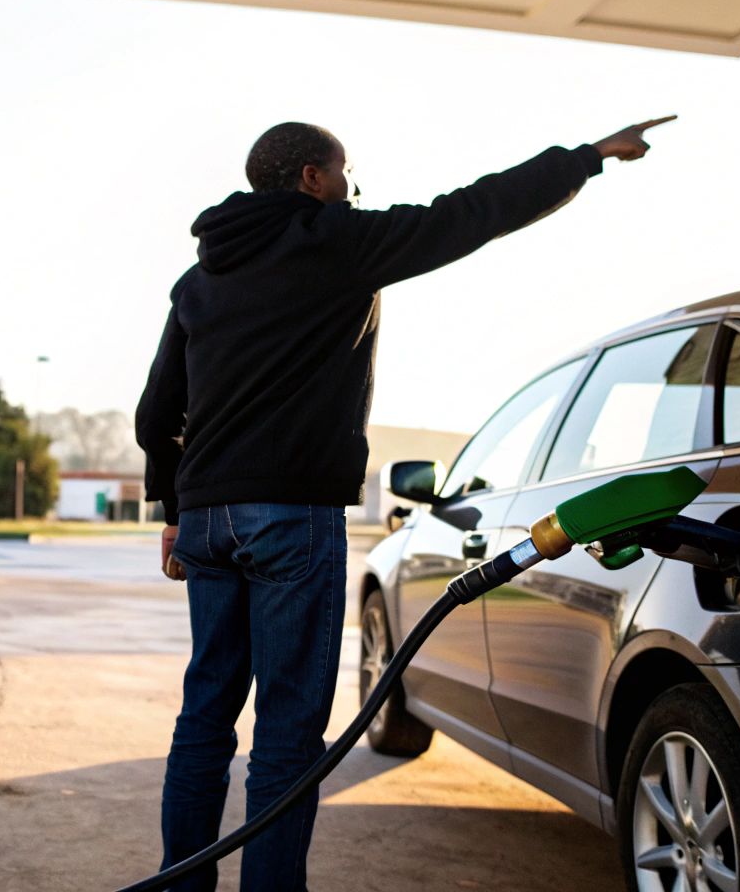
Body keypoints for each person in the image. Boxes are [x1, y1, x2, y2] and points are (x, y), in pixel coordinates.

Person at [133, 116, 675, 891]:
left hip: (210, 519)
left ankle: (177, 882)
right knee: (287, 734)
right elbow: (468, 214)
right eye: (346, 171)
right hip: (291, 517)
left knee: (205, 716)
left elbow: (159, 411)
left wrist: (172, 508)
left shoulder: (200, 277)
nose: (353, 186)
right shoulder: (336, 241)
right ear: (314, 180)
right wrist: (584, 159)